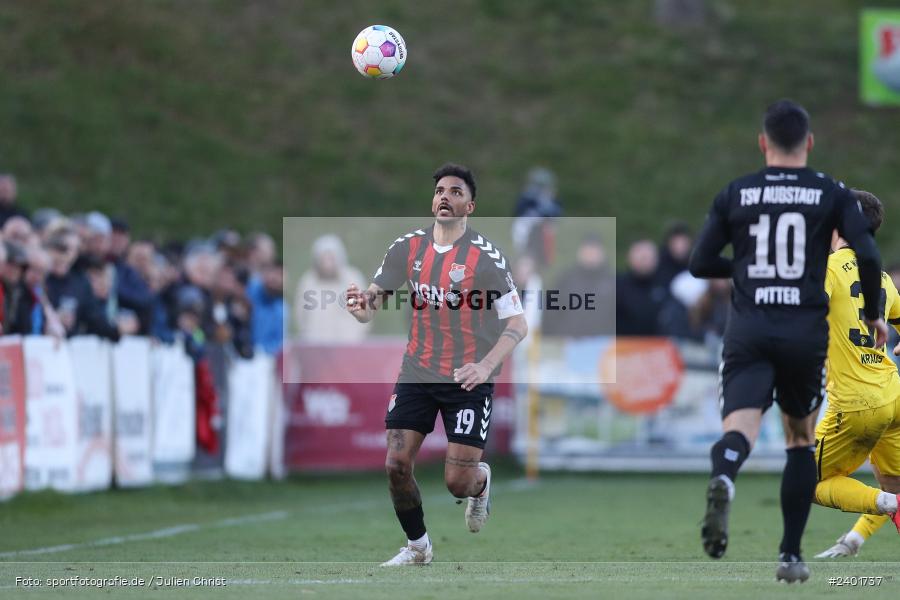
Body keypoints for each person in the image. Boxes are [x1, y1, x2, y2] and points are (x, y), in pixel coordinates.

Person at [689, 100, 886, 582]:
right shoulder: (830, 192)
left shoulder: (737, 191)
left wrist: (744, 269)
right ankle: (791, 555)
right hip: (802, 333)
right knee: (800, 442)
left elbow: (699, 262)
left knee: (739, 428)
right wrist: (877, 314)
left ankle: (724, 476)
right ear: (810, 143)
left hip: (749, 329)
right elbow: (867, 251)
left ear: (763, 143)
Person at [345, 163, 527, 566]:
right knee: (395, 463)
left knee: (456, 482)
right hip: (418, 371)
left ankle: (479, 486)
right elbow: (372, 304)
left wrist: (484, 366)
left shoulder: (486, 258)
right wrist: (361, 308)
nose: (445, 196)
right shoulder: (407, 248)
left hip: (468, 379)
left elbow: (517, 323)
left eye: (456, 191)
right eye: (440, 190)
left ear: (470, 206)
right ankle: (418, 548)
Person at [810, 190, 900, 558]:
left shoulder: (828, 268)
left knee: (806, 482)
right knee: (893, 483)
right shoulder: (883, 278)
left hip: (858, 403)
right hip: (893, 396)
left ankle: (888, 508)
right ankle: (855, 539)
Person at [295, 234, 369, 342]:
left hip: (348, 345)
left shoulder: (353, 279)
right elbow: (300, 316)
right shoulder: (308, 281)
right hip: (316, 345)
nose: (327, 263)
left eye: (331, 257)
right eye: (323, 258)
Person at [615, 239, 667, 336]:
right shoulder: (617, 286)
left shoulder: (666, 285)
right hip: (623, 345)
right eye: (642, 258)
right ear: (630, 258)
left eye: (649, 258)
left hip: (658, 346)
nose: (645, 262)